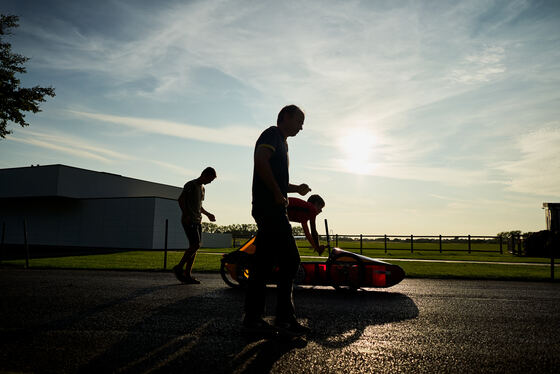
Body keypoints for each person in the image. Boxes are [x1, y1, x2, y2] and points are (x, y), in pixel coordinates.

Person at [243, 104, 311, 337]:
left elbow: (276, 178)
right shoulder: (271, 134)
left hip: (273, 207)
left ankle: (254, 319)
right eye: (299, 121)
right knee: (291, 260)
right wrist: (276, 193)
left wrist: (294, 189)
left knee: (262, 264)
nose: (302, 127)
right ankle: (283, 318)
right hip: (270, 208)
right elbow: (260, 161)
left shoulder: (284, 143)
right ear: (286, 117)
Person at [173, 167, 217, 284]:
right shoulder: (190, 185)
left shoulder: (202, 188)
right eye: (210, 179)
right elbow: (181, 200)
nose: (210, 182)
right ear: (204, 175)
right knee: (196, 245)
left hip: (198, 221)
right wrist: (186, 215)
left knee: (195, 247)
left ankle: (187, 275)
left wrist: (208, 214)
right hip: (189, 220)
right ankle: (179, 268)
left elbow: (199, 206)